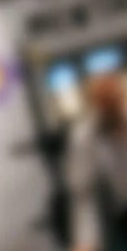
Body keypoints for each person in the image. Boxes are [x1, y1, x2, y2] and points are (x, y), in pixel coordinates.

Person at [65, 72, 127, 251]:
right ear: (94, 104)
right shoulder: (84, 137)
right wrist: (86, 241)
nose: (111, 106)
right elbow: (84, 195)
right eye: (104, 102)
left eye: (114, 99)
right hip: (120, 218)